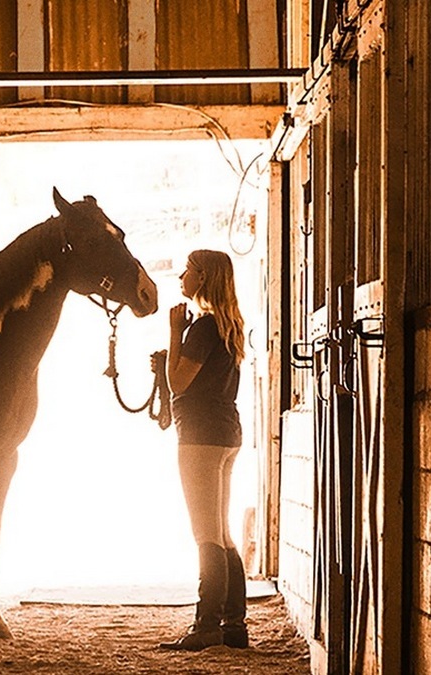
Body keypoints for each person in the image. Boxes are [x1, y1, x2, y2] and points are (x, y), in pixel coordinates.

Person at [157, 249, 248, 651]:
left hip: (199, 435)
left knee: (205, 533)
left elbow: (178, 383)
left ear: (203, 278)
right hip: (227, 433)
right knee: (223, 532)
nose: (182, 275)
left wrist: (175, 333)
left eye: (189, 270)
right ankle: (234, 625)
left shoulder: (204, 328)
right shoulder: (228, 326)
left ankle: (206, 624)